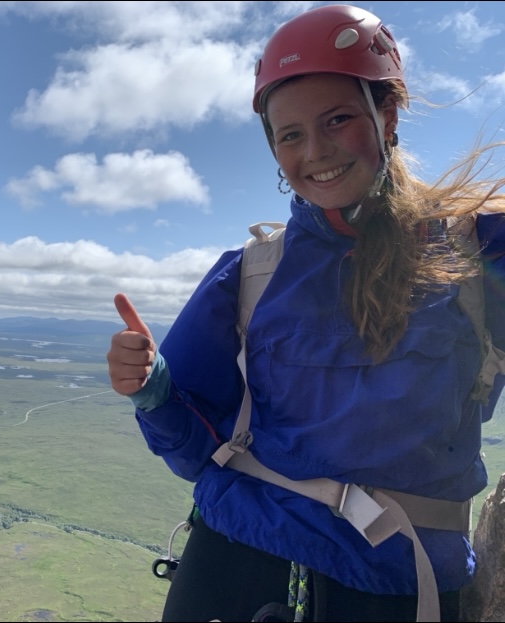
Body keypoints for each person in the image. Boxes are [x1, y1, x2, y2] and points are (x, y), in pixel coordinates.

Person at [106, 4, 505, 622]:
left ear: (387, 115)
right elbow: (196, 449)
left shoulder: (478, 251)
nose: (315, 151)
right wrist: (153, 391)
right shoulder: (250, 274)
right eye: (289, 135)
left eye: (337, 119)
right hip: (236, 557)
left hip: (397, 580)